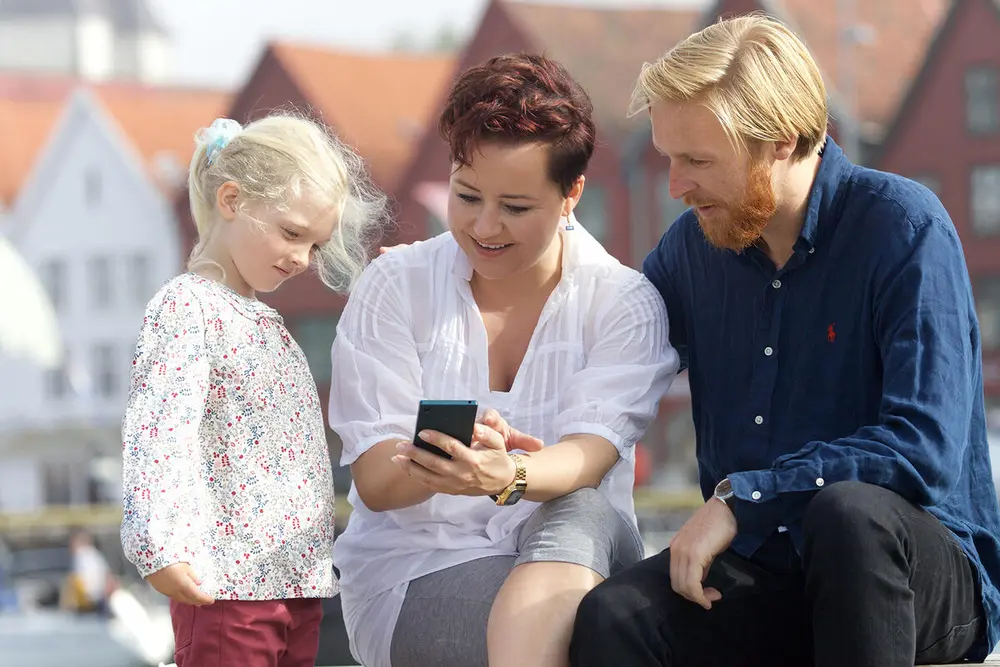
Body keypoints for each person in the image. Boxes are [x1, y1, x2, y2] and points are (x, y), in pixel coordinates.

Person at [569, 14, 1000, 667]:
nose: (676, 186)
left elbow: (925, 447)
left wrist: (750, 497)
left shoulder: (903, 227)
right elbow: (608, 343)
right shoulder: (691, 249)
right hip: (766, 570)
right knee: (613, 617)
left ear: (781, 142)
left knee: (848, 515)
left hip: (914, 571)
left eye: (697, 161)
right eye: (668, 158)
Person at [327, 53, 679, 667]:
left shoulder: (623, 300)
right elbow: (377, 484)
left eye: (515, 207)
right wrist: (453, 464)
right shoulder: (393, 286)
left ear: (572, 194)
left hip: (581, 553)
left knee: (580, 505)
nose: (484, 226)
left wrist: (506, 476)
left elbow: (588, 456)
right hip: (421, 569)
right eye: (466, 196)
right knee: (596, 634)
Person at [120, 113, 388, 667]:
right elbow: (159, 429)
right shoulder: (186, 306)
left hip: (296, 580)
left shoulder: (268, 327)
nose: (301, 259)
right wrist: (160, 544)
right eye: (292, 233)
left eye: (314, 246)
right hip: (227, 585)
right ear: (232, 200)